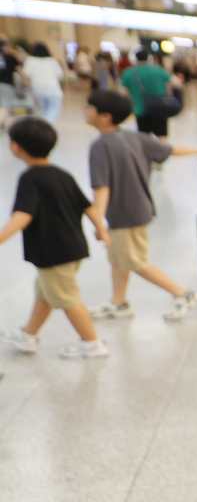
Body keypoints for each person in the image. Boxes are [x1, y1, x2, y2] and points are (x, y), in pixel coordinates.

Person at [82, 90, 197, 321]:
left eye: (89, 107)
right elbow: (168, 150)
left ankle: (183, 294)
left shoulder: (100, 146)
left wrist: (98, 222)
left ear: (105, 116)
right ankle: (118, 303)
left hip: (124, 213)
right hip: (140, 208)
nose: (85, 111)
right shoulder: (135, 137)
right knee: (119, 258)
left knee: (134, 260)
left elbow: (101, 187)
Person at [0, 117, 111, 358]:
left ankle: (92, 343)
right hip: (72, 248)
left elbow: (23, 216)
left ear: (16, 147)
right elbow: (88, 207)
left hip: (53, 252)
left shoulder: (29, 178)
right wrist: (102, 230)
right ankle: (28, 335)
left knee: (67, 298)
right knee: (45, 293)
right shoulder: (62, 174)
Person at [120, 49, 179, 139]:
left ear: (135, 58)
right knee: (161, 135)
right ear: (148, 58)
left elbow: (122, 92)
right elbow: (177, 82)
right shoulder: (158, 70)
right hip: (159, 107)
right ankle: (161, 152)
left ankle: (146, 153)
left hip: (140, 108)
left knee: (144, 136)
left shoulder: (128, 72)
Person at [23, 43, 66, 123]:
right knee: (54, 108)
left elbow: (26, 75)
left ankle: (43, 124)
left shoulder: (30, 60)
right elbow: (60, 76)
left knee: (43, 109)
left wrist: (28, 83)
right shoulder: (52, 61)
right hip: (52, 87)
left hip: (37, 87)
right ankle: (47, 124)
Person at [0, 40, 22, 109]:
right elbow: (19, 70)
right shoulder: (9, 57)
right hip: (6, 84)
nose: (11, 48)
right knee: (8, 106)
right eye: (9, 47)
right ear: (3, 47)